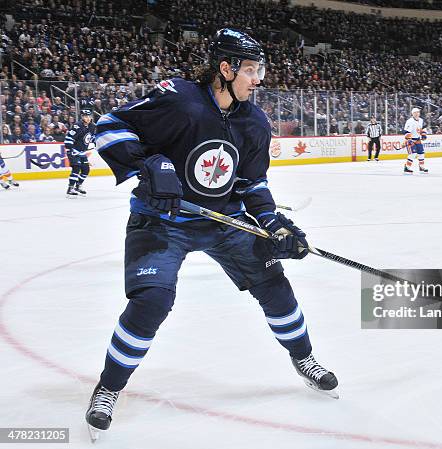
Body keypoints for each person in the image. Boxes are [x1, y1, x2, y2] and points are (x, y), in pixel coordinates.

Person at [85, 28, 339, 441]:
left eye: (260, 70)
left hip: (223, 222)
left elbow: (251, 184)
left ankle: (305, 359)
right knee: (151, 303)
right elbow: (109, 126)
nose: (259, 80)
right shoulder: (180, 100)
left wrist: (273, 224)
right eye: (252, 70)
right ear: (226, 68)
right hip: (162, 220)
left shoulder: (255, 123)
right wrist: (148, 166)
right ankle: (108, 388)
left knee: (275, 287)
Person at [64, 109, 95, 197]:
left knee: (86, 169)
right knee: (76, 169)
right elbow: (69, 138)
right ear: (82, 117)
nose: (88, 118)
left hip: (82, 152)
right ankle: (70, 188)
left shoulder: (92, 126)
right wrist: (70, 149)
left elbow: (90, 138)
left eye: (89, 116)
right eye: (86, 116)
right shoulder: (77, 126)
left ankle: (78, 186)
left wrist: (95, 143)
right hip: (74, 151)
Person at [403, 107, 428, 174]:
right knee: (413, 154)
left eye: (418, 112)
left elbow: (423, 128)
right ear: (412, 114)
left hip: (418, 140)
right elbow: (406, 131)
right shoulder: (409, 121)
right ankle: (407, 168)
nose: (417, 114)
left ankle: (421, 167)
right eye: (415, 113)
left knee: (421, 153)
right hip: (411, 140)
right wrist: (409, 139)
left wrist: (423, 134)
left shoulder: (421, 120)